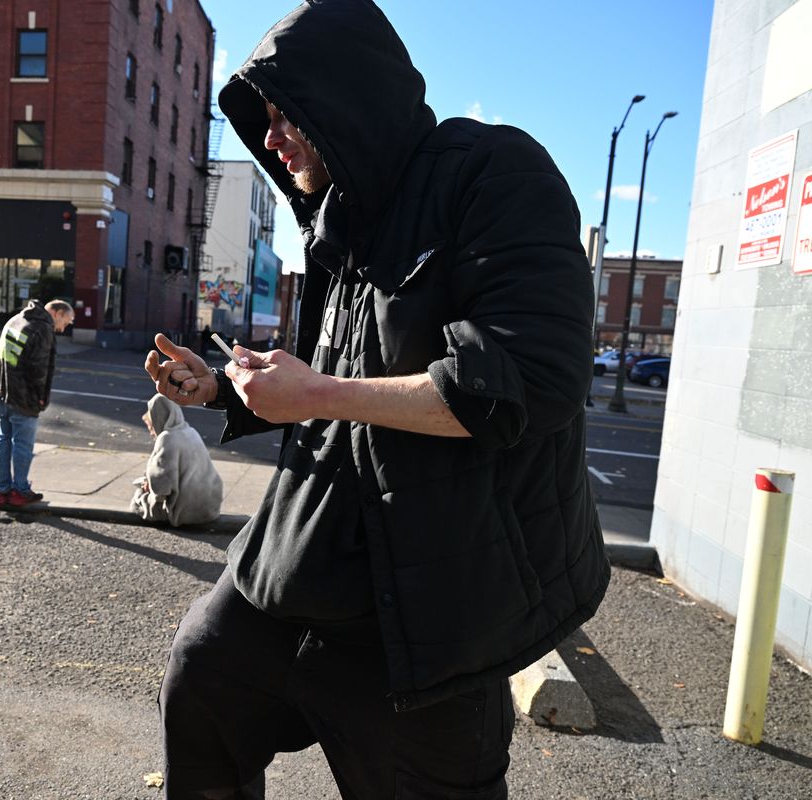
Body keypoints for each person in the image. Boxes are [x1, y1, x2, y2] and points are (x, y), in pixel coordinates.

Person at [142, 2, 609, 798]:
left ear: (347, 98)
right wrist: (228, 389)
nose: (273, 138)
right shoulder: (336, 222)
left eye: (289, 116)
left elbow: (531, 379)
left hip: (431, 600)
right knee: (203, 680)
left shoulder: (493, 173)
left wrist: (315, 389)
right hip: (300, 559)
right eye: (267, 121)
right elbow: (336, 388)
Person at [0, 298, 74, 507]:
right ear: (57, 313)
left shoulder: (16, 320)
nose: (64, 328)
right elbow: (39, 369)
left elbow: (5, 360)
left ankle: (1, 490)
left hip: (2, 390)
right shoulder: (42, 328)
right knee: (22, 445)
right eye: (67, 321)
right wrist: (41, 398)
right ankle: (20, 490)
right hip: (24, 397)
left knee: (4, 440)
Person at [129, 394, 223, 527]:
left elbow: (162, 488)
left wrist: (148, 487)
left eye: (150, 426)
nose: (151, 432)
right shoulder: (191, 431)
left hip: (186, 512)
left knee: (138, 501)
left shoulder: (167, 438)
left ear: (158, 419)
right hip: (210, 508)